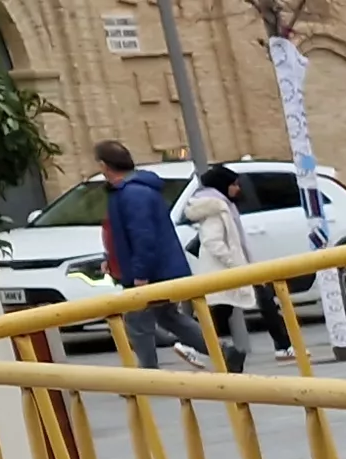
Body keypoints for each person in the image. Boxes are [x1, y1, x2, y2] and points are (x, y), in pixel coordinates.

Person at [92, 142, 217, 369]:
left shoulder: (131, 193)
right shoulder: (128, 191)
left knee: (137, 323)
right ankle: (224, 353)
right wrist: (111, 260)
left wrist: (141, 274)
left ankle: (148, 373)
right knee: (167, 317)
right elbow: (122, 234)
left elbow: (142, 236)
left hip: (150, 272)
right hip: (155, 269)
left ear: (104, 165)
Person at [178, 165, 271, 366]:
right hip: (222, 269)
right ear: (223, 185)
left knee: (223, 311)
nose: (238, 189)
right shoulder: (217, 209)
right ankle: (191, 346)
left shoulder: (221, 206)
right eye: (234, 184)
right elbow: (213, 241)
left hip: (224, 269)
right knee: (221, 312)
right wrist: (233, 262)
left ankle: (194, 346)